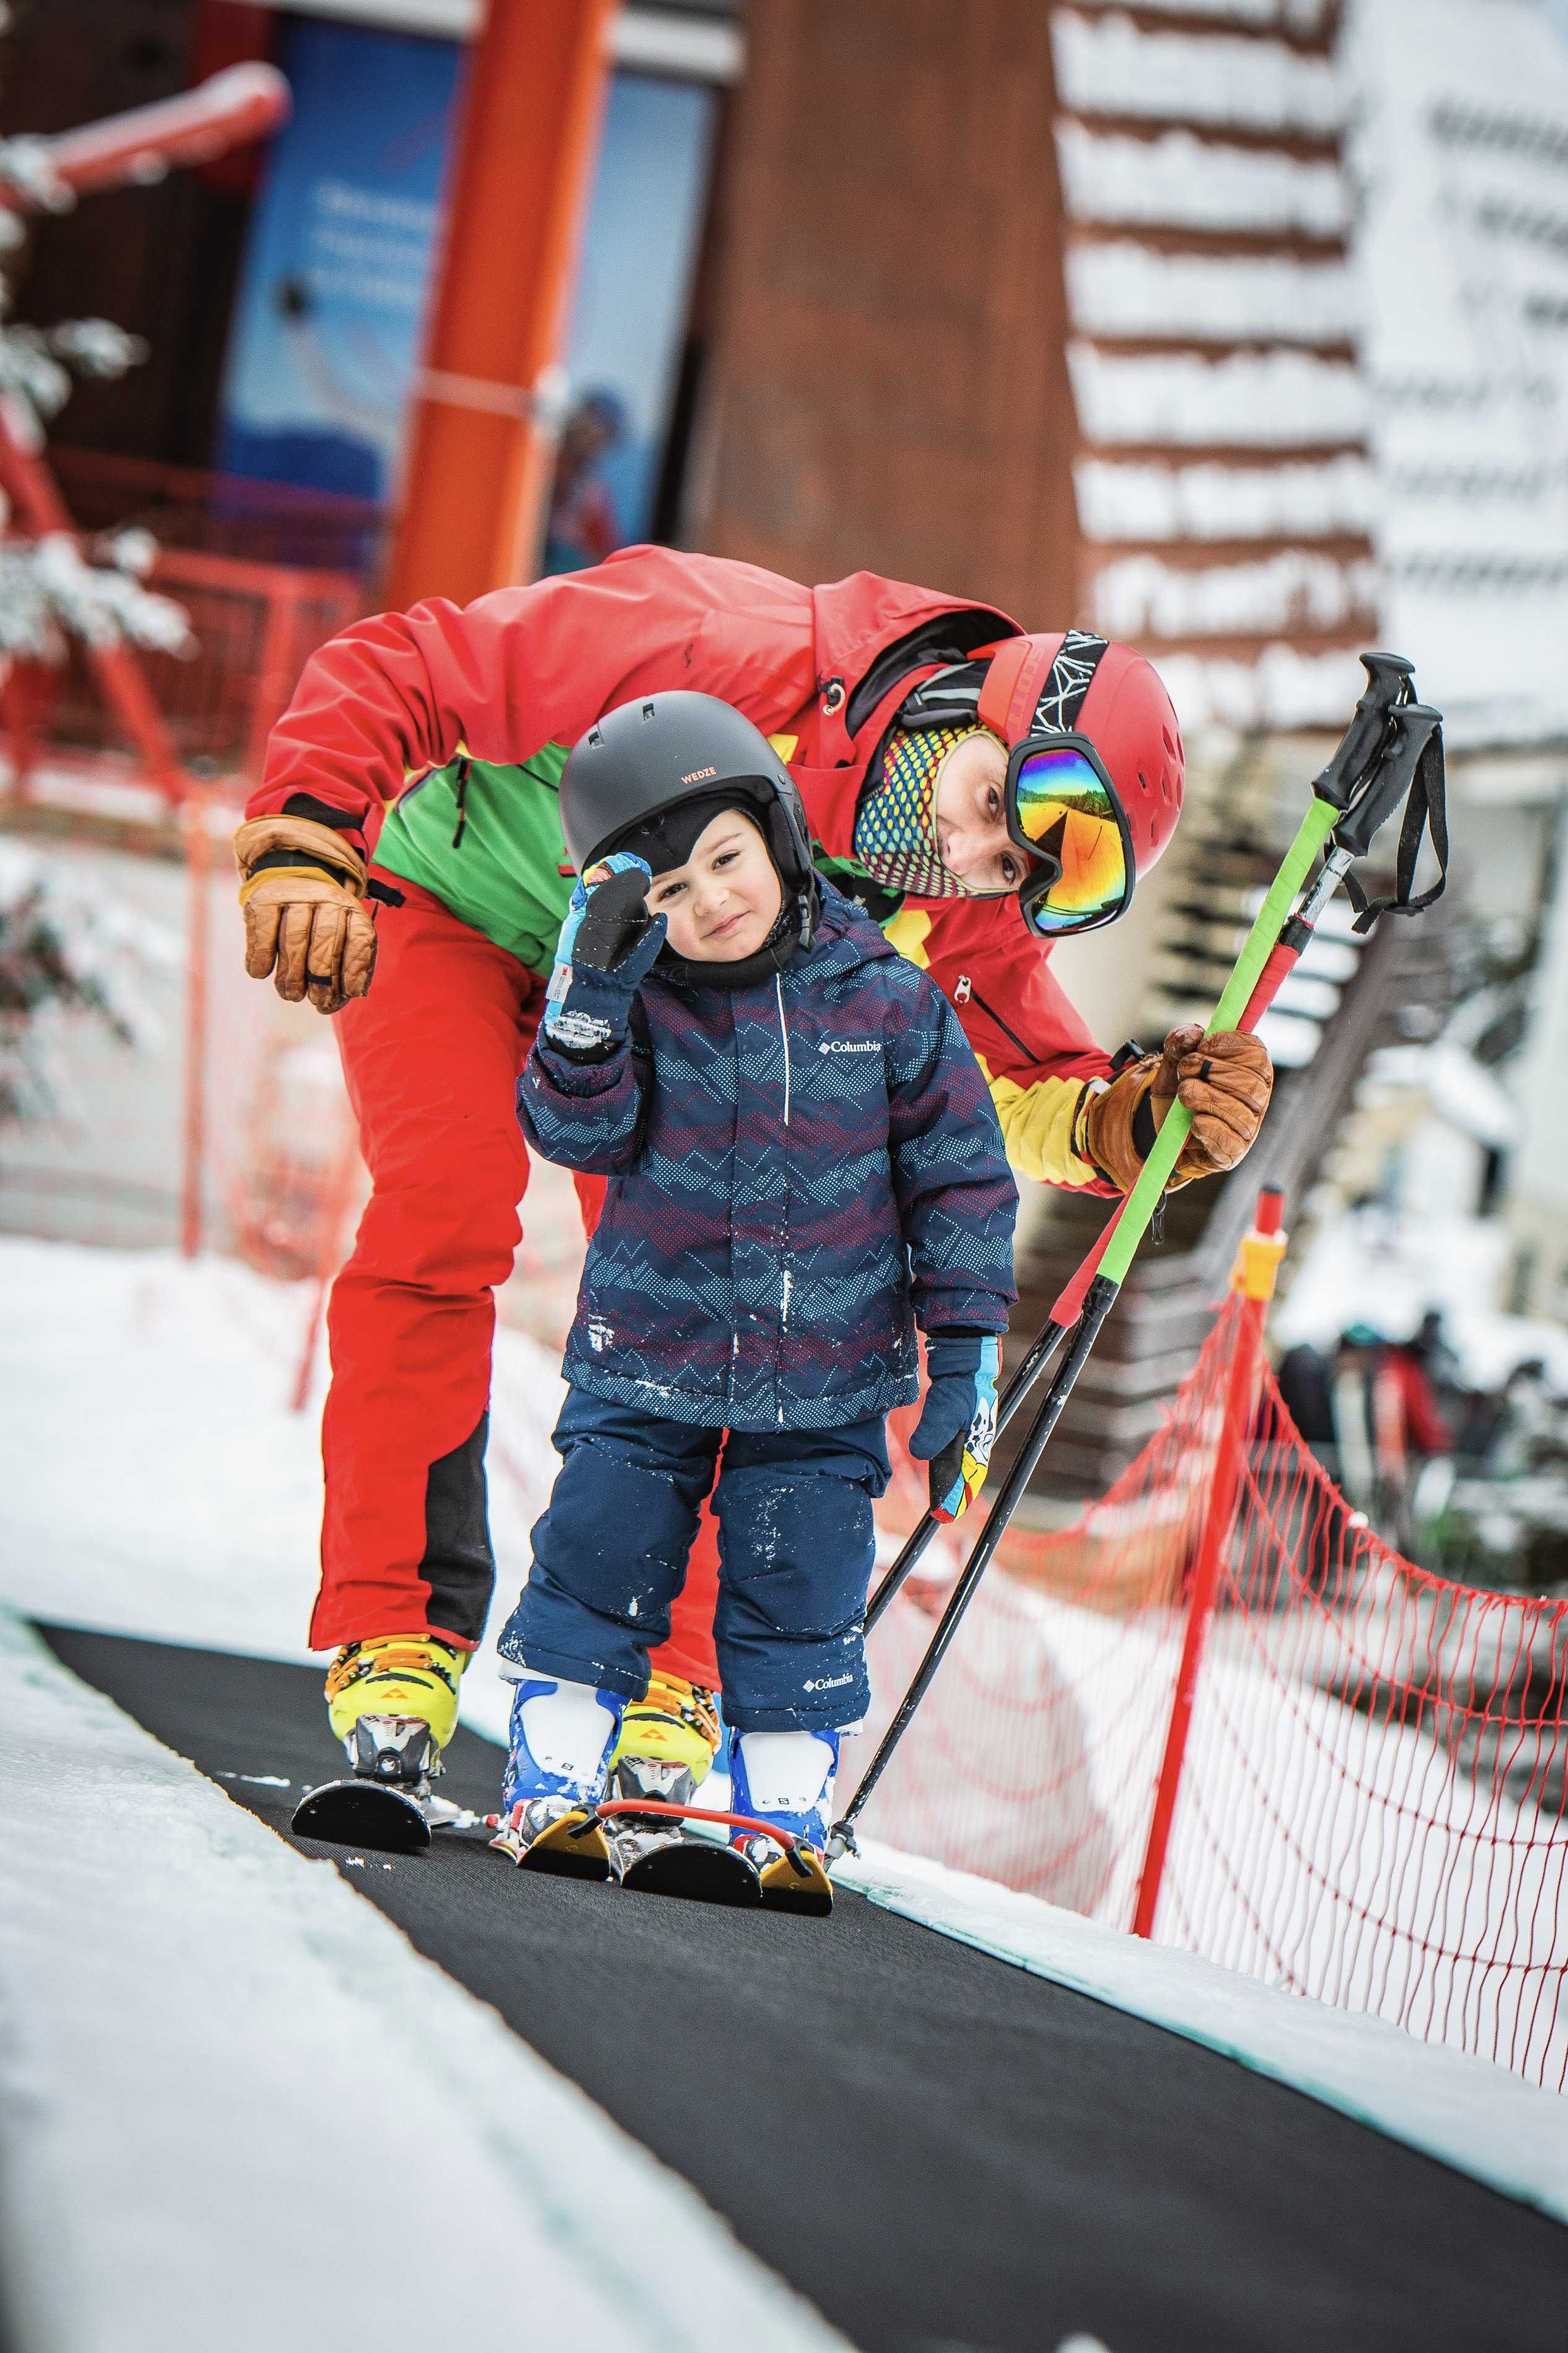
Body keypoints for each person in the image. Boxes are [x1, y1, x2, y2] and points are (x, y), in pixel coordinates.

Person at [231, 544, 1273, 1811]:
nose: (967, 850)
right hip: (447, 900)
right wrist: (308, 832)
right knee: (443, 1208)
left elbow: (1011, 1086)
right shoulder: (716, 640)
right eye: (996, 800)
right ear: (968, 701)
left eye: (1014, 869)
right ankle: (398, 1632)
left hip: (650, 1007)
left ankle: (668, 1672)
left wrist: (1132, 1120)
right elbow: (403, 664)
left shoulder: (953, 904)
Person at [488, 693, 1017, 1895]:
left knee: (801, 1581)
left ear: (773, 835)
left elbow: (962, 1182)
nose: (709, 903)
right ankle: (553, 1770)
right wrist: (586, 1011)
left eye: (724, 860)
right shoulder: (635, 1001)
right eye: (664, 893)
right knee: (597, 1556)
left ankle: (781, 1808)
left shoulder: (887, 1001)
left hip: (828, 1374)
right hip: (646, 1349)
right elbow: (581, 1135)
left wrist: (966, 1351)